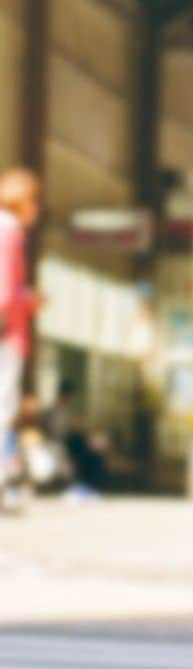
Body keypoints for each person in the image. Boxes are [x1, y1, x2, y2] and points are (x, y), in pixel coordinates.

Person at [0, 168, 44, 511]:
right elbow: (4, 292)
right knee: (3, 408)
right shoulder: (10, 231)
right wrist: (30, 301)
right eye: (36, 201)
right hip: (6, 334)